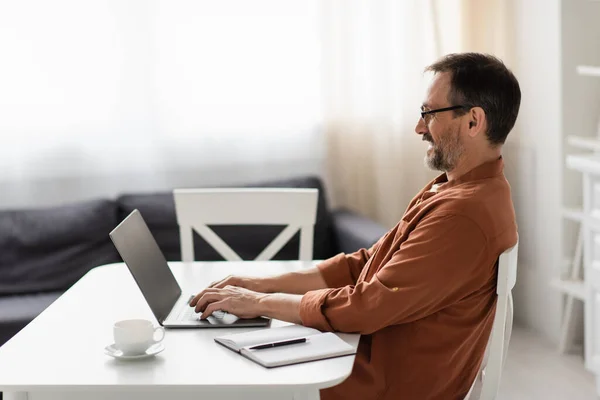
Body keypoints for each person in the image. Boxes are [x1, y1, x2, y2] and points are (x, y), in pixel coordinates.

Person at [189, 52, 521, 400]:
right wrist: (257, 286)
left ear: (473, 122)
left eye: (429, 113)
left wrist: (258, 302)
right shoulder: (457, 190)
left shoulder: (463, 215)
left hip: (376, 384)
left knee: (219, 378)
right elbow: (363, 265)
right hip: (363, 360)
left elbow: (365, 307)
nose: (419, 128)